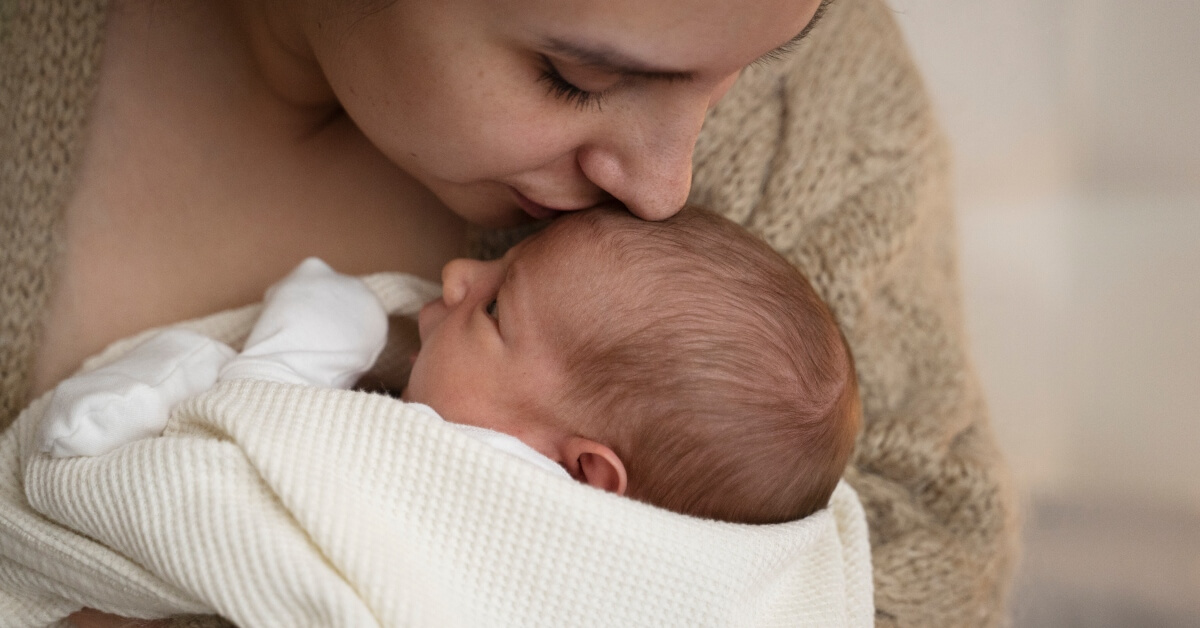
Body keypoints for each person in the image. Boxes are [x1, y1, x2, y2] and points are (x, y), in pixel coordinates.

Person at [1, 0, 1018, 626]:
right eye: (578, 78)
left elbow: (934, 566)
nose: (667, 188)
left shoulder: (816, 103)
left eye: (748, 76)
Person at [42, 207, 860, 527]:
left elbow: (261, 465)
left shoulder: (495, 499)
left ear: (584, 473)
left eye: (496, 309)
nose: (463, 274)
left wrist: (316, 342)